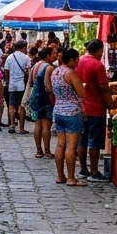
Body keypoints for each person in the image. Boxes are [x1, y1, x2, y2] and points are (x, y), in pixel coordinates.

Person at [75, 39, 116, 183]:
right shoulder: (98, 66)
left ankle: (83, 169)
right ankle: (94, 171)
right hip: (95, 107)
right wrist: (111, 105)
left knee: (82, 139)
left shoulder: (78, 61)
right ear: (99, 50)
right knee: (94, 140)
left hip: (81, 107)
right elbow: (104, 88)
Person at [48, 48, 86, 186]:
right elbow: (81, 93)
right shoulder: (71, 73)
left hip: (58, 111)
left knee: (60, 145)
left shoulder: (55, 71)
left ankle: (60, 176)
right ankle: (71, 178)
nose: (77, 63)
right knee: (71, 147)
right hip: (72, 112)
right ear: (71, 59)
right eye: (77, 60)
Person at [28, 45, 56, 159]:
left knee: (38, 124)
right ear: (48, 56)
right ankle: (47, 151)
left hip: (35, 99)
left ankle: (39, 151)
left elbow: (30, 82)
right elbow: (49, 87)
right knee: (46, 126)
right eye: (53, 54)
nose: (55, 56)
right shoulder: (49, 67)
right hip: (45, 99)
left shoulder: (35, 65)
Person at [3, 40, 32, 134]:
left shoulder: (10, 57)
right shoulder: (26, 58)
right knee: (21, 106)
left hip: (12, 84)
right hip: (21, 85)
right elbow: (29, 71)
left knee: (11, 105)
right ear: (23, 47)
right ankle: (21, 128)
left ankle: (12, 125)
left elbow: (6, 71)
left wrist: (7, 81)